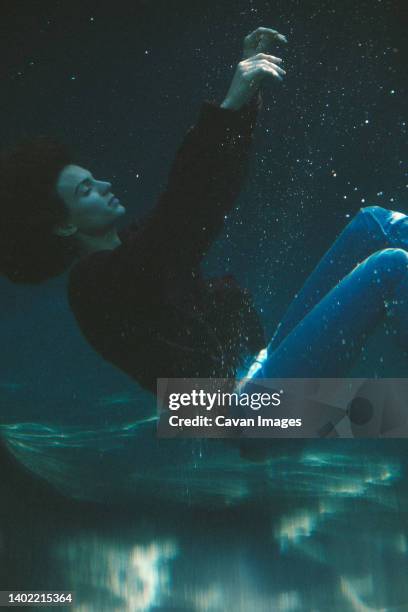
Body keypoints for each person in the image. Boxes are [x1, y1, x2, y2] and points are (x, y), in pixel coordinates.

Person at [1, 26, 407, 398]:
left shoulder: (130, 251)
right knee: (390, 269)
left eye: (94, 178)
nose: (105, 185)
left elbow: (208, 200)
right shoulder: (93, 286)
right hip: (243, 416)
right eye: (86, 189)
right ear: (63, 224)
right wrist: (230, 105)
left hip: (260, 373)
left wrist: (244, 103)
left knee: (374, 223)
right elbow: (182, 211)